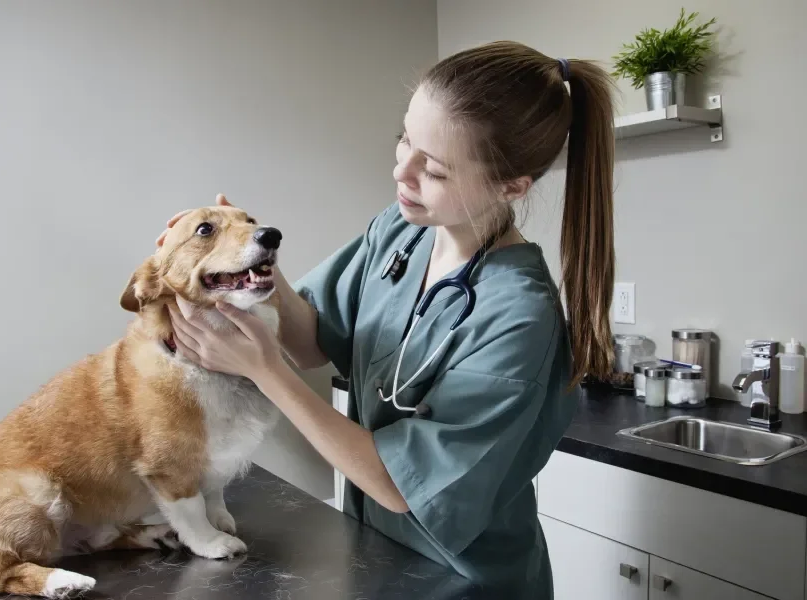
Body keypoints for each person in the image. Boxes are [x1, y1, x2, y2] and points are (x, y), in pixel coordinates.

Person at [161, 40, 616, 598]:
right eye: (405, 138)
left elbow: (402, 485)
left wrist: (264, 372)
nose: (402, 169)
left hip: (463, 580)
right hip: (376, 556)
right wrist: (252, 257)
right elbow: (311, 343)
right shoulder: (403, 231)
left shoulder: (520, 319)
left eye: (436, 169)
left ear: (511, 186)